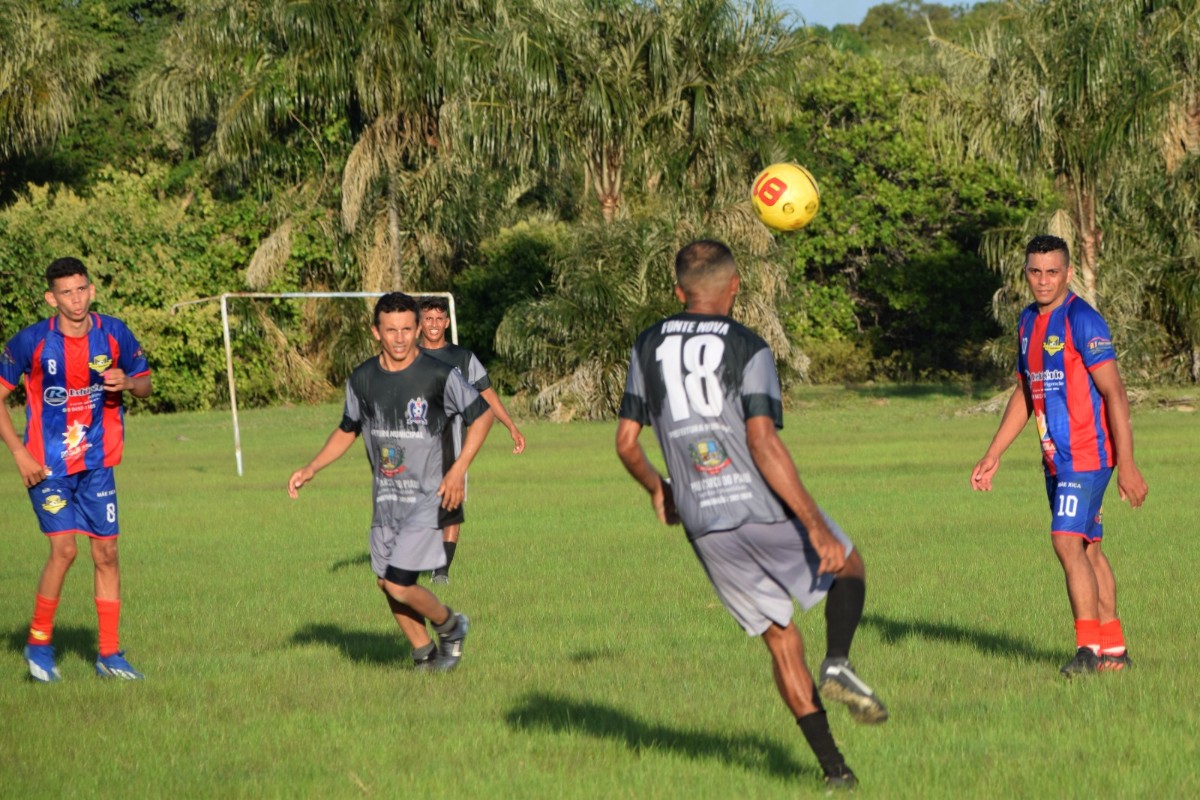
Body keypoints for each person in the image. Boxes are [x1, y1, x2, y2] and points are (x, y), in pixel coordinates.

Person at [615, 240, 887, 791]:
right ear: (735, 287)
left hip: (702, 523)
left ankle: (835, 771)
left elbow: (625, 443)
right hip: (760, 504)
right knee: (849, 564)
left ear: (678, 292)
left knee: (781, 640)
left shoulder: (646, 346)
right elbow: (762, 442)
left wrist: (658, 489)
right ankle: (837, 661)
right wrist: (813, 525)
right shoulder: (748, 346)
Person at [971, 234, 1147, 677]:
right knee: (1088, 549)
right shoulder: (1028, 322)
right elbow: (1024, 393)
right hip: (1056, 458)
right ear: (1026, 273)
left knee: (1065, 541)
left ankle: (1086, 649)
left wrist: (1127, 464)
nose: (1043, 280)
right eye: (1035, 271)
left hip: (1088, 455)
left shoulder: (1083, 320)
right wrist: (994, 453)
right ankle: (1114, 650)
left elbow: (1115, 394)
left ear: (1068, 273)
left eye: (1052, 272)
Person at [287, 292, 493, 671]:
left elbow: (482, 416)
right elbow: (347, 429)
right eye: (391, 330)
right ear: (376, 332)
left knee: (399, 583)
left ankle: (451, 625)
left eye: (407, 330)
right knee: (385, 583)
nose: (399, 338)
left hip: (429, 497)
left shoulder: (439, 374)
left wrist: (459, 468)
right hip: (386, 500)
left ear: (417, 330)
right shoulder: (363, 379)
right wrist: (312, 467)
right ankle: (424, 655)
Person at [0, 257, 152, 682]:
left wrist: (129, 382)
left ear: (91, 290)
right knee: (64, 551)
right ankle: (39, 643)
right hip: (46, 467)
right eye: (66, 292)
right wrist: (18, 453)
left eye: (81, 289)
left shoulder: (114, 333)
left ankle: (109, 655)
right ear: (52, 298)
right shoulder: (32, 342)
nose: (76, 298)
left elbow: (145, 383)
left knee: (107, 553)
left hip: (97, 465)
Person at [417, 295, 525, 584]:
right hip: (415, 445)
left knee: (451, 504)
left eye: (440, 319)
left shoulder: (462, 358)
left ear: (447, 322)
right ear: (420, 322)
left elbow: (486, 393)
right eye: (429, 318)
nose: (435, 324)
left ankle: (441, 571)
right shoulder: (408, 356)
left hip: (453, 442)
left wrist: (510, 426)